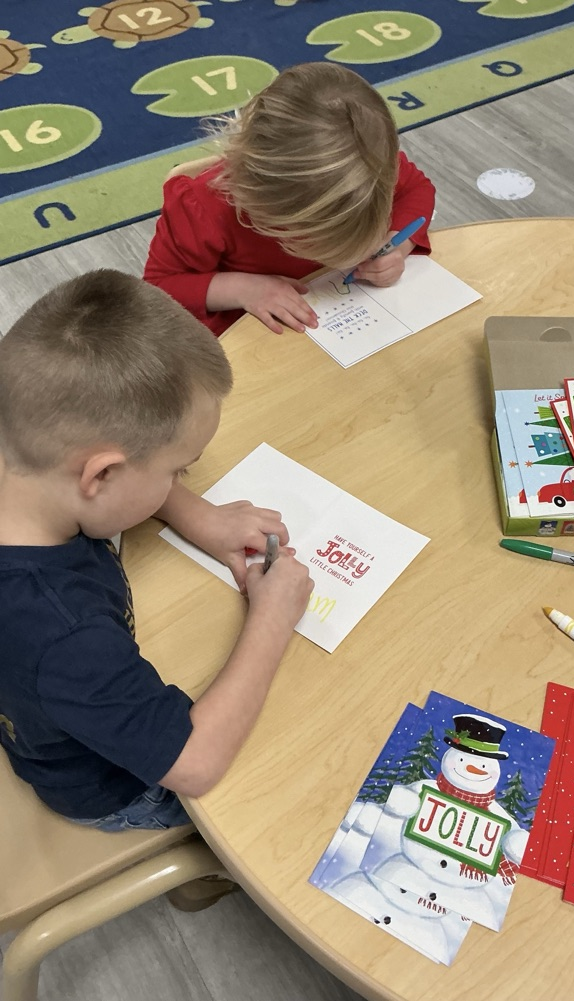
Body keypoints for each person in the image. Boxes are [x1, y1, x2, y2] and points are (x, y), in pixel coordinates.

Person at [0, 270, 313, 831]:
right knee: (282, 774)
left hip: (57, 695)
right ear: (101, 474)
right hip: (112, 786)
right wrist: (271, 618)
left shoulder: (24, 439)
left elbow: (110, 479)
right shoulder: (62, 633)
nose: (182, 479)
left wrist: (199, 514)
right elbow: (193, 766)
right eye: (178, 468)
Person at [144, 62, 436, 337]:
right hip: (251, 343)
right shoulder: (204, 207)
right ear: (260, 204)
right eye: (309, 241)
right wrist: (242, 289)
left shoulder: (365, 170)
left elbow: (418, 190)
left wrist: (397, 245)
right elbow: (158, 288)